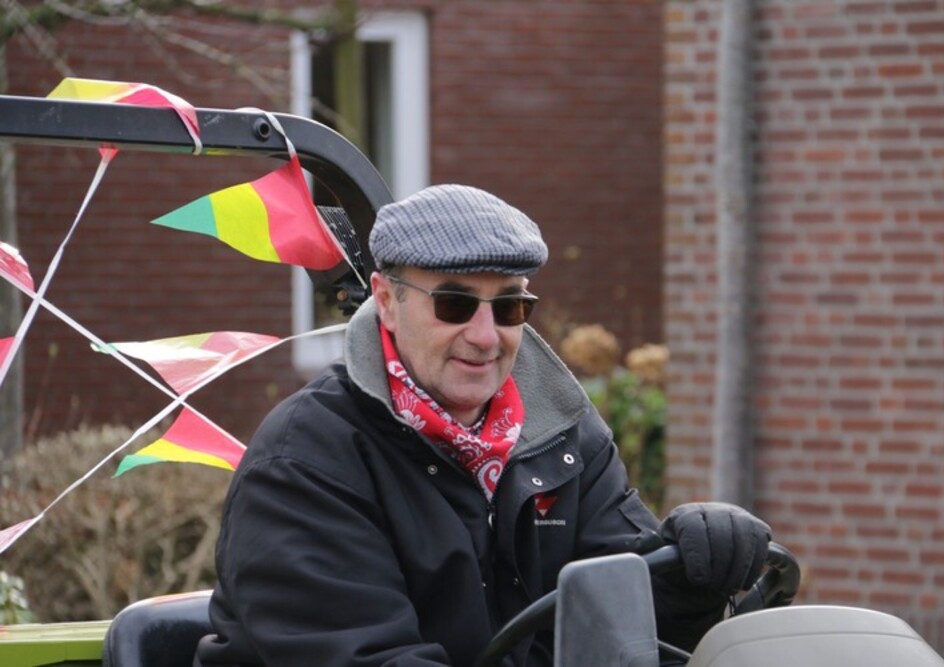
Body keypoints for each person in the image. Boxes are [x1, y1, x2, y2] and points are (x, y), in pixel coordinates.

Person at [195, 184, 771, 667]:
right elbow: (363, 657)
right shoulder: (307, 461)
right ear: (387, 301)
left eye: (510, 306)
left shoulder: (566, 439)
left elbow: (631, 633)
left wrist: (691, 581)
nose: (485, 335)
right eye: (455, 303)